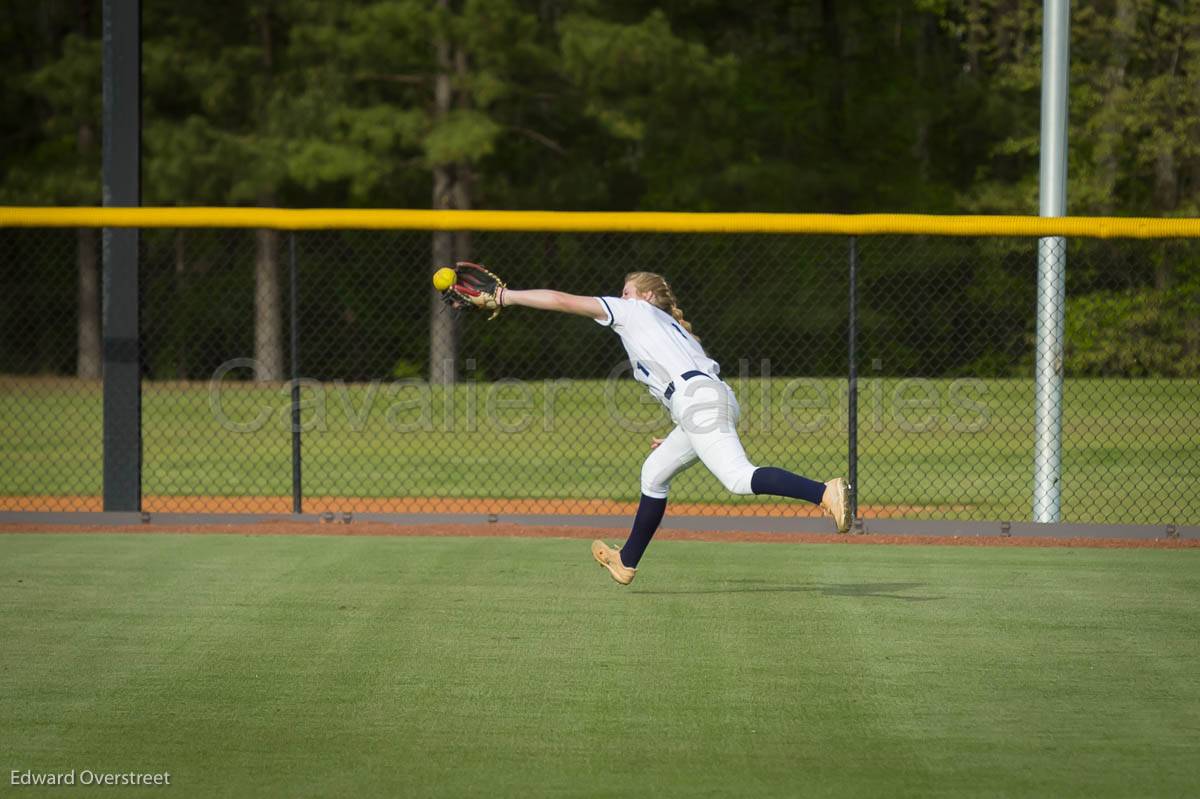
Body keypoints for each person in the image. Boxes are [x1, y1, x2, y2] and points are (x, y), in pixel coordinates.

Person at [496, 271, 851, 585]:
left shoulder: (634, 311)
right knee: (654, 473)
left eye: (627, 291)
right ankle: (626, 561)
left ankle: (823, 492)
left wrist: (505, 297)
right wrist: (684, 430)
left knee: (739, 478)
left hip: (698, 402)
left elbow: (560, 300)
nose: (622, 298)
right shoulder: (675, 329)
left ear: (647, 297)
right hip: (708, 400)